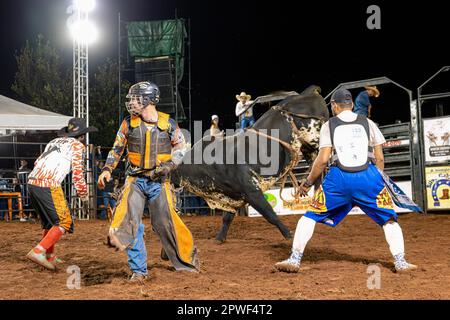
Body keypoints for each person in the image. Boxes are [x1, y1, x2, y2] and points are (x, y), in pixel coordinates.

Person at [274, 88, 417, 274]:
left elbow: (323, 159)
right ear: (350, 104)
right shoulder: (368, 123)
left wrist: (308, 182)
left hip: (338, 180)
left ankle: (294, 259)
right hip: (368, 177)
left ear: (334, 105)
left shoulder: (329, 125)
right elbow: (379, 157)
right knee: (389, 219)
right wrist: (377, 180)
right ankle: (400, 261)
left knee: (310, 216)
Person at [98, 81, 199, 282]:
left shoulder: (169, 123)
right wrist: (107, 169)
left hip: (160, 182)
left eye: (136, 98)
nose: (131, 102)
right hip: (135, 180)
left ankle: (186, 261)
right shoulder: (128, 123)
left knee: (166, 222)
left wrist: (169, 165)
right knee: (130, 220)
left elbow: (181, 148)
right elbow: (117, 148)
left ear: (149, 100)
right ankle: (139, 270)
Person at [26, 118, 98, 270]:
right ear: (82, 136)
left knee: (49, 223)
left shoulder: (53, 142)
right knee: (65, 222)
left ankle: (49, 256)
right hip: (49, 183)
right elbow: (78, 174)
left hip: (32, 182)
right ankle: (38, 251)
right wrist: (84, 196)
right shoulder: (77, 145)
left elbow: (37, 162)